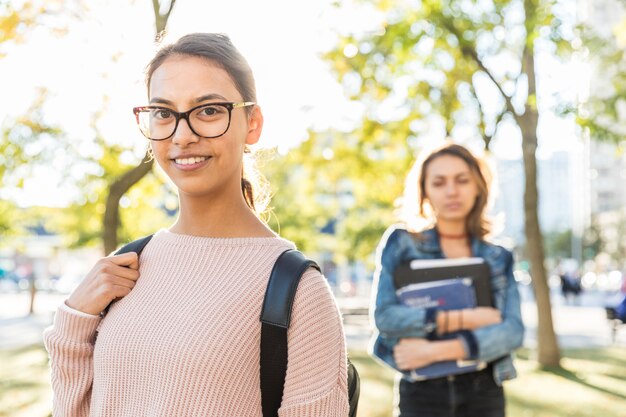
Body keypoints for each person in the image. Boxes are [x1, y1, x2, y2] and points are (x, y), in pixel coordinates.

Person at [43, 33, 349, 417]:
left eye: (208, 111)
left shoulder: (297, 288)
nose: (182, 136)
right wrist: (75, 319)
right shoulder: (126, 265)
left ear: (252, 123)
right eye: (164, 113)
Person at [370, 143, 524, 417]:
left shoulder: (498, 257)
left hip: (484, 391)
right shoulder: (402, 243)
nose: (452, 191)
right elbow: (385, 317)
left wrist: (436, 351)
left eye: (462, 180)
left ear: (478, 186)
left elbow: (512, 331)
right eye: (439, 183)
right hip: (421, 393)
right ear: (425, 191)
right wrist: (470, 318)